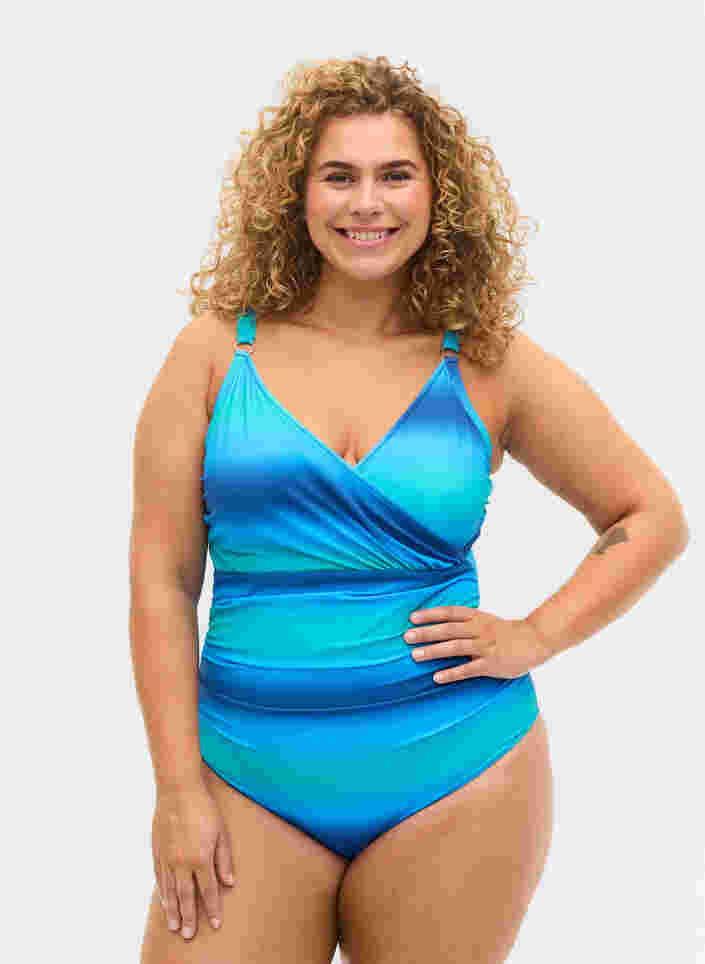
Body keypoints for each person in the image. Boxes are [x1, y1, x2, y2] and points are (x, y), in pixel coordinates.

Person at [130, 55, 689, 964]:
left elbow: (648, 515)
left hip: (455, 772)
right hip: (245, 773)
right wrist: (176, 788)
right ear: (295, 194)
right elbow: (161, 580)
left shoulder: (491, 362)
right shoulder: (212, 353)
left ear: (438, 196)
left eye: (395, 175)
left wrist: (537, 634)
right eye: (337, 176)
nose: (367, 203)